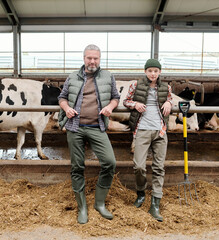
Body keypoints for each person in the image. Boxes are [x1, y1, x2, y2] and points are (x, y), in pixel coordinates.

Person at [58, 44, 120, 224]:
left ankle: (99, 203)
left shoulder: (108, 76)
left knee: (109, 162)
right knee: (77, 167)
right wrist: (67, 108)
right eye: (89, 58)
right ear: (84, 58)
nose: (92, 61)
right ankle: (82, 207)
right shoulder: (73, 77)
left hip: (97, 126)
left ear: (100, 59)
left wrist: (110, 107)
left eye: (96, 58)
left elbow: (116, 97)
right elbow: (62, 97)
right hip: (75, 127)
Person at [123, 58, 172, 222]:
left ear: (160, 72)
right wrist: (135, 104)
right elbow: (126, 101)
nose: (153, 74)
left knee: (159, 167)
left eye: (156, 71)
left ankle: (155, 204)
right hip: (142, 130)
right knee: (138, 166)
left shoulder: (166, 87)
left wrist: (169, 103)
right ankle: (141, 193)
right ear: (145, 72)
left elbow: (170, 99)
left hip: (160, 131)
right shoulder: (135, 86)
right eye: (150, 71)